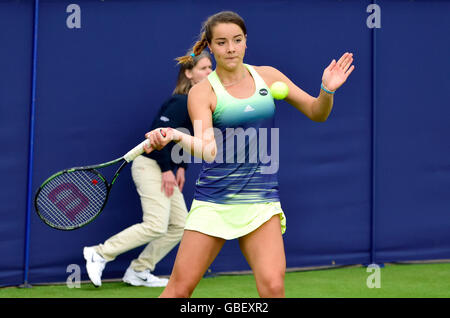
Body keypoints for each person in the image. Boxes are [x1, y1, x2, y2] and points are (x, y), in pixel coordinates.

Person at [145, 11, 354, 297]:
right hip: (214, 201)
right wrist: (177, 136)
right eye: (221, 42)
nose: (230, 48)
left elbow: (317, 112)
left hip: (260, 201)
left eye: (237, 40)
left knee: (273, 288)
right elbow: (208, 150)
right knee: (178, 291)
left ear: (246, 42)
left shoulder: (268, 76)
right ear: (209, 46)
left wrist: (326, 90)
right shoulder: (202, 92)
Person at [82, 50, 213, 287]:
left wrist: (180, 168)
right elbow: (158, 135)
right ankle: (100, 253)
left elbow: (182, 136)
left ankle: (139, 271)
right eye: (204, 68)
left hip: (164, 167)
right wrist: (166, 170)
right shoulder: (180, 101)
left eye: (210, 67)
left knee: (180, 225)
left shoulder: (196, 103)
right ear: (189, 73)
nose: (209, 71)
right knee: (156, 224)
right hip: (150, 165)